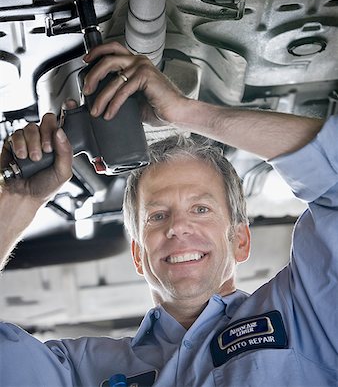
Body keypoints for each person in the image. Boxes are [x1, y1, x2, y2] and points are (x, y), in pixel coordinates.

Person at [0, 41, 337, 387]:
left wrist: (189, 113)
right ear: (137, 254)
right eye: (157, 215)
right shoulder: (80, 372)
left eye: (201, 209)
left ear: (240, 240)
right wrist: (15, 202)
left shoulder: (304, 316)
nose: (178, 227)